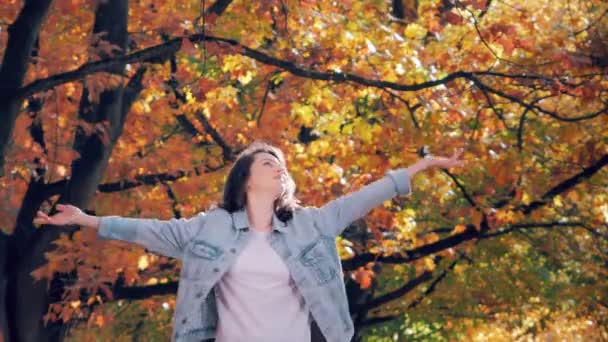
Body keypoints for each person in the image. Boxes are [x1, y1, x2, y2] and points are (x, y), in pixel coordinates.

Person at [34, 141, 466, 342]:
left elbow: (364, 198)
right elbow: (151, 231)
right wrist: (87, 220)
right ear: (245, 178)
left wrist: (421, 167)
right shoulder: (211, 227)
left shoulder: (310, 224)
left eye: (281, 165)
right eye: (267, 162)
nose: (279, 169)